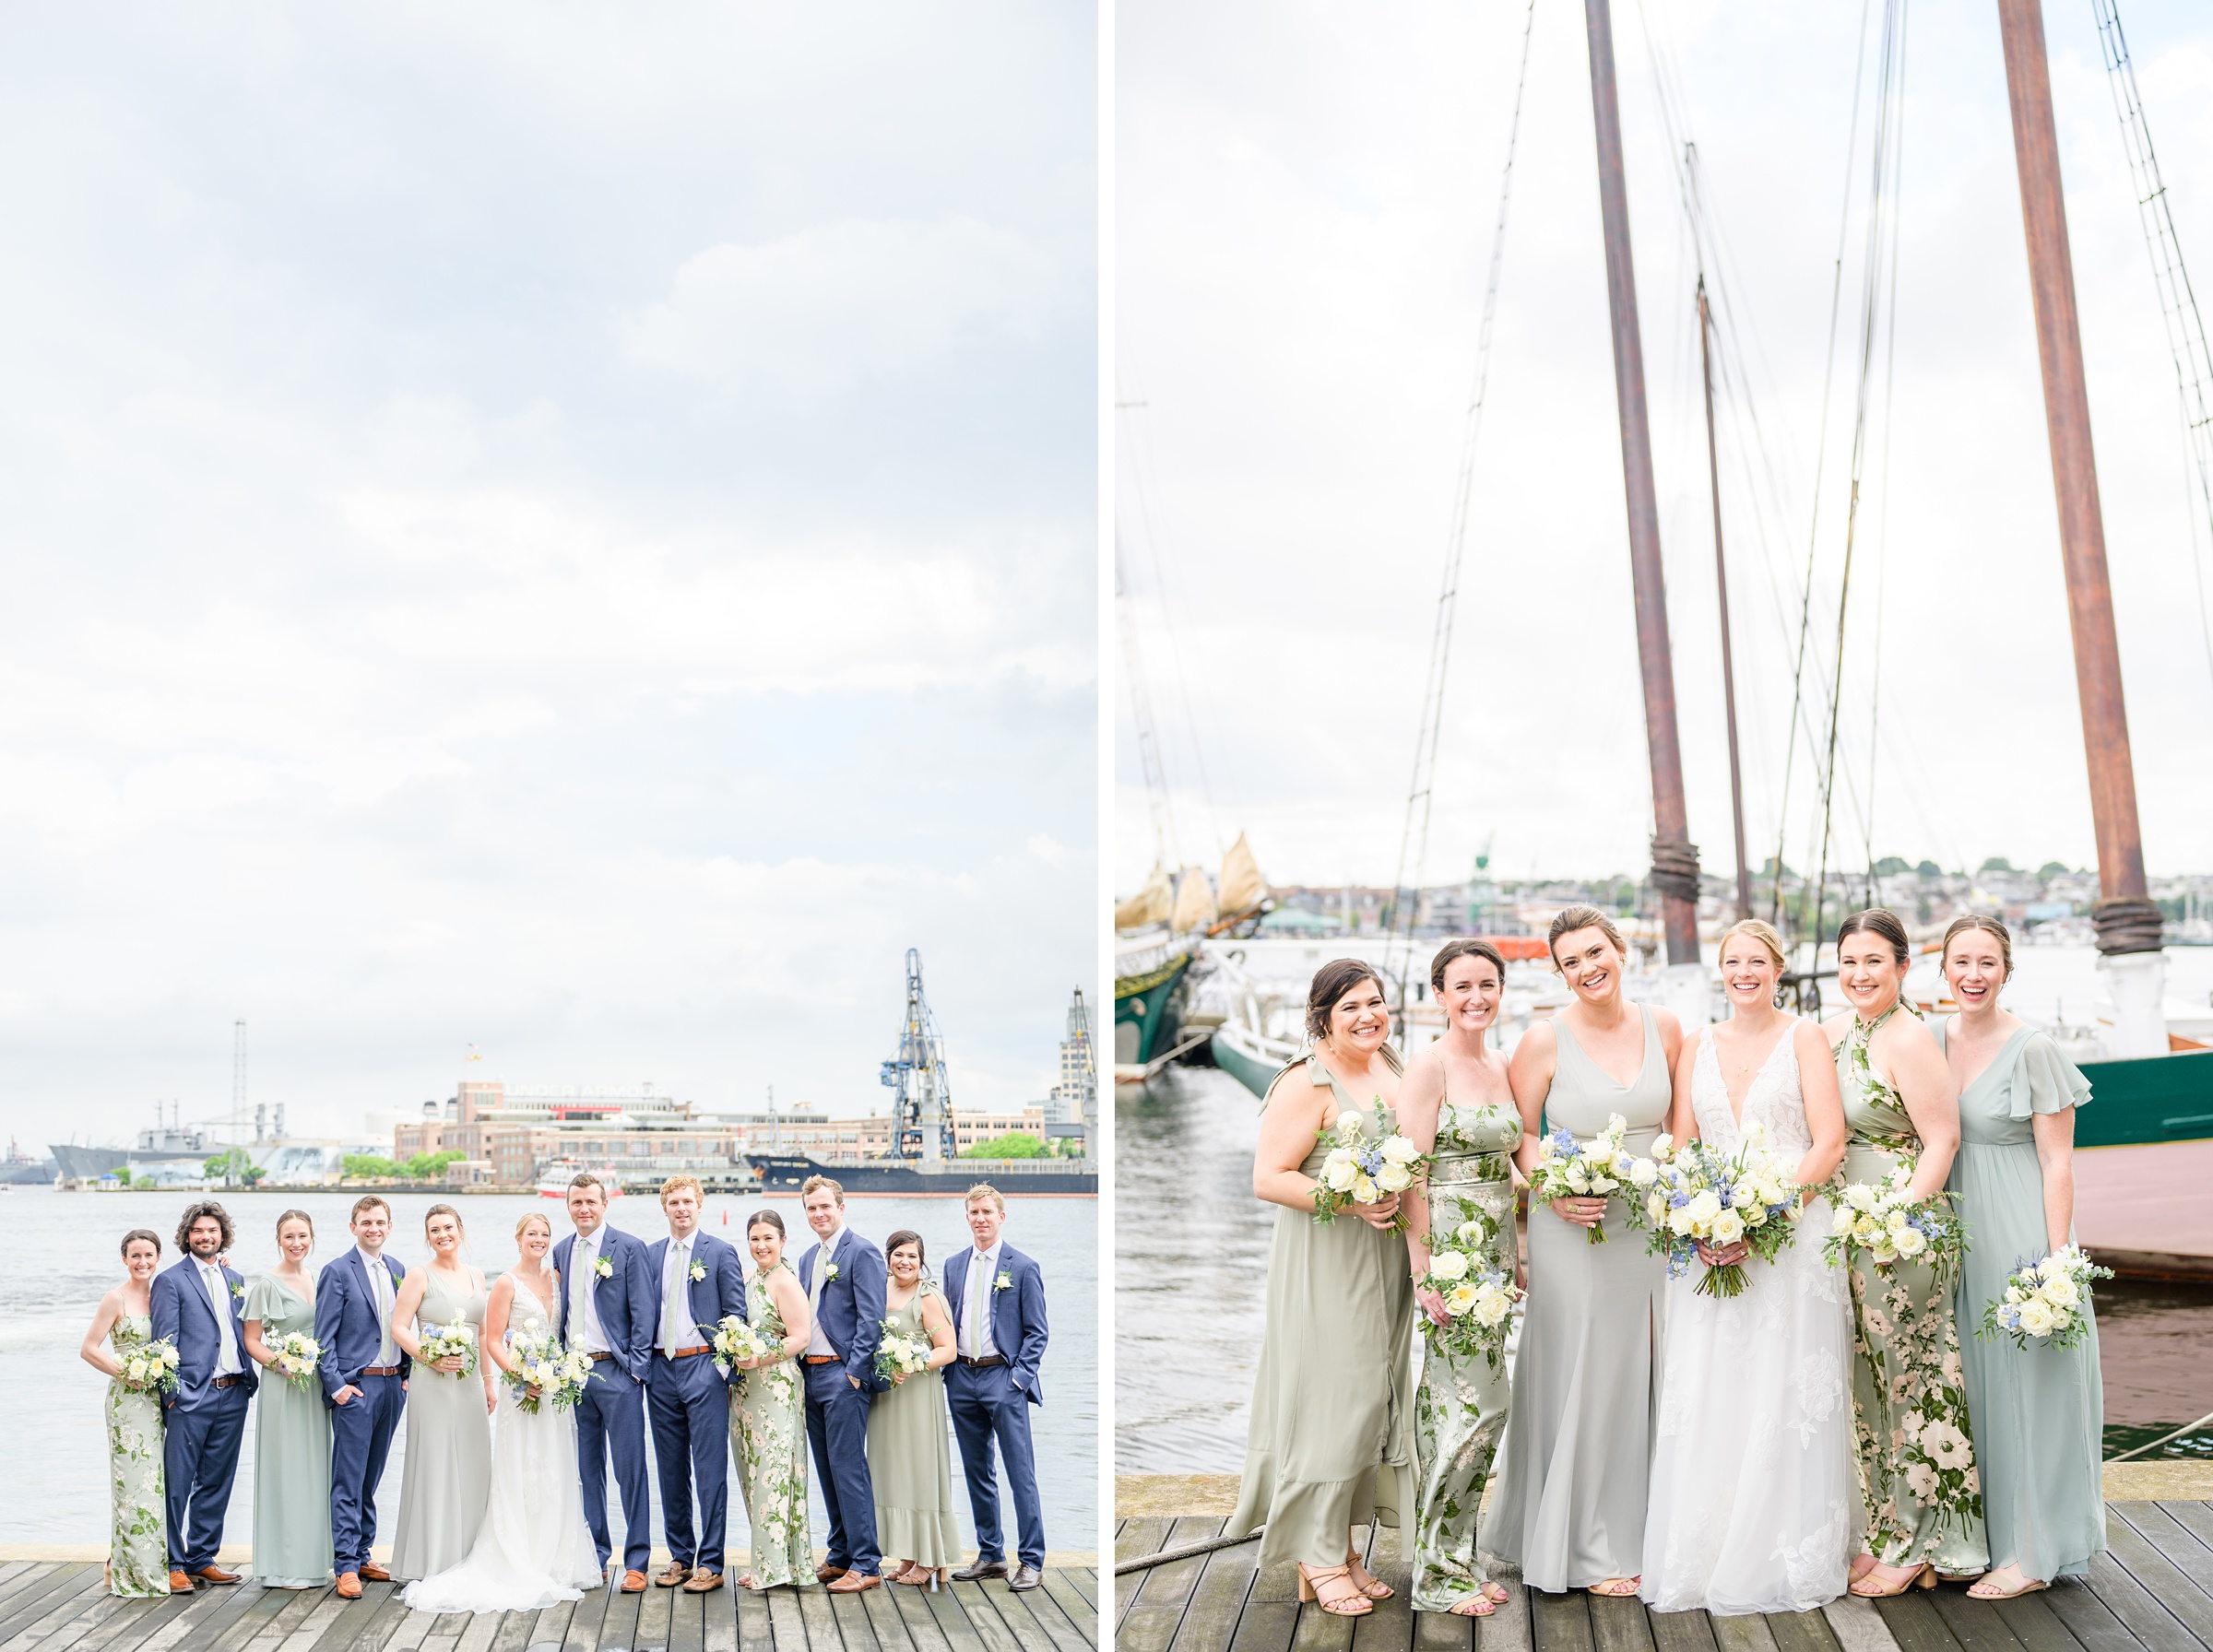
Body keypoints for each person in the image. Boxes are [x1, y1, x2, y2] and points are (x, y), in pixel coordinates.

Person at [1639, 919, 1854, 1613]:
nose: (1743, 972)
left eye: (1756, 961)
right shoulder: (1697, 1044)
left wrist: (1767, 1218)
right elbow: (1681, 1141)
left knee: (1783, 1390)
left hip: (1789, 1236)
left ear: (1778, 968)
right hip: (1709, 1239)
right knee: (1714, 1386)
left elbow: (1829, 1142)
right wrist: (1693, 1217)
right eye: (1732, 961)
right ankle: (1705, 1550)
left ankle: (1780, 1549)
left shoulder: (1806, 1038)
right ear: (1721, 971)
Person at [1481, 905, 1680, 1599]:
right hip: (1578, 1222)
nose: (1587, 969)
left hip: (1650, 1224)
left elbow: (1678, 1127)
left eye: (1596, 952)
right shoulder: (1544, 1039)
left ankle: (1650, 1529)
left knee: (1648, 1369)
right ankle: (1586, 1544)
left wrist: (1681, 1196)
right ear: (1559, 972)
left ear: (1620, 950)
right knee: (1587, 1374)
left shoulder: (1667, 1026)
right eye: (1571, 961)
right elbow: (1521, 1136)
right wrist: (1555, 1193)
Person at [1226, 961, 1417, 1620]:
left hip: (1386, 1257)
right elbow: (1269, 1177)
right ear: (1322, 1018)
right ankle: (1315, 1552)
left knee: (1371, 1397)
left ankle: (1342, 1547)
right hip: (1327, 1260)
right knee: (1331, 1397)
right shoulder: (1304, 1082)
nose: (1369, 1015)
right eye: (1351, 1008)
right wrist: (1350, 1197)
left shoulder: (1391, 1066)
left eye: (1375, 1002)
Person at [1935, 914, 2105, 1599]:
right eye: (1961, 962)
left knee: (2028, 1384)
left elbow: (2057, 1161)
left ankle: (2034, 1552)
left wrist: (2055, 1263)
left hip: (2016, 1229)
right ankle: (1976, 1537)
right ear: (1941, 969)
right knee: (1968, 1384)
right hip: (1950, 1228)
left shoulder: (2033, 1048)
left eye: (1987, 963)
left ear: (2006, 971)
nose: (1973, 975)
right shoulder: (1923, 1038)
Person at [1824, 908, 1989, 1595]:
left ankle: (1925, 1539)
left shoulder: (1910, 1037)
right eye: (1849, 962)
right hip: (1852, 1230)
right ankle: (1888, 1524)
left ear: (1901, 967)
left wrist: (1897, 1226)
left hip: (1905, 1236)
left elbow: (1941, 1141)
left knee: (1914, 1382)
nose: (1860, 975)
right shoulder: (1841, 1032)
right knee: (1868, 1384)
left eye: (1874, 962)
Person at [1398, 939, 1519, 1618]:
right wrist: (1424, 1272)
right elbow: (1410, 1172)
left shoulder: (1500, 1062)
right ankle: (1439, 1575)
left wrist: (1518, 1261)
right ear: (1439, 995)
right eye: (1462, 986)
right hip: (1451, 1261)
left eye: (1488, 984)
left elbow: (1506, 1168)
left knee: (1467, 1408)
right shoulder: (1429, 1065)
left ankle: (1454, 1559)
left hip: (1497, 1257)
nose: (1476, 997)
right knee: (1475, 1408)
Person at [403, 1213, 604, 1612]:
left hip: (552, 1390)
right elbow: (493, 1340)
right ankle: (517, 1553)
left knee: (556, 1468)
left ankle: (554, 1556)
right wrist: (518, 1375)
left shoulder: (557, 1280)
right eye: (532, 1234)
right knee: (520, 1470)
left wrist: (555, 1374)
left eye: (545, 1235)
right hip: (521, 1388)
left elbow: (560, 1333)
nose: (539, 1240)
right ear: (517, 1239)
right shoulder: (505, 1283)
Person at [551, 1172, 657, 1591]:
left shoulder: (628, 1248)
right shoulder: (561, 1250)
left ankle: (637, 1562)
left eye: (591, 1202)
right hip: (574, 1376)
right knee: (586, 1470)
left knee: (630, 1469)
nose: (584, 1209)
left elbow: (644, 1312)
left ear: (605, 1203)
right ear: (569, 1206)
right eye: (577, 1202)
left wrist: (636, 1369)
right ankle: (595, 1555)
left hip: (617, 1372)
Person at [945, 1186, 1051, 1594]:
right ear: (967, 1217)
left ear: (1001, 1216)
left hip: (1003, 1379)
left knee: (1020, 1472)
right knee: (976, 1471)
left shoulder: (1022, 1267)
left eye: (987, 1211)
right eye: (974, 1212)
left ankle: (1032, 1560)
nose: (980, 1218)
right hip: (962, 1378)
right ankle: (991, 1555)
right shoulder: (955, 1265)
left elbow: (1037, 1333)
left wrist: (1018, 1380)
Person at [645, 1175, 747, 1594]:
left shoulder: (720, 1252)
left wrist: (721, 1370)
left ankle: (711, 1563)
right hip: (660, 1370)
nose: (681, 1208)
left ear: (699, 1205)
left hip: (704, 1367)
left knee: (709, 1470)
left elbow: (736, 1315)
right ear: (665, 1208)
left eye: (687, 1201)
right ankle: (680, 1557)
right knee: (670, 1470)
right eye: (673, 1202)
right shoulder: (649, 1255)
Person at [150, 1200, 256, 1595]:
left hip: (233, 1393)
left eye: (212, 1231)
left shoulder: (235, 1279)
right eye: (198, 1231)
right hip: (191, 1397)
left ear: (222, 1235)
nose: (205, 1236)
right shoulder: (171, 1280)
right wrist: (174, 1396)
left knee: (217, 1480)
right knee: (177, 1483)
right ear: (187, 1236)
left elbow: (239, 1331)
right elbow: (163, 1343)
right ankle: (174, 1562)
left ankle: (201, 1557)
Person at [388, 1204, 495, 1581]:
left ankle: (472, 1552)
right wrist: (428, 1357)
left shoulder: (477, 1275)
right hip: (431, 1382)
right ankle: (433, 1557)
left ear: (461, 1231)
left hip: (468, 1384)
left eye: (448, 1227)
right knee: (435, 1462)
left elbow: (481, 1333)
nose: (442, 1234)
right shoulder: (419, 1276)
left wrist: (487, 1380)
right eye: (434, 1230)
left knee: (474, 1459)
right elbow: (399, 1327)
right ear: (428, 1237)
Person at [315, 1195, 410, 1599]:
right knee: (348, 1479)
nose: (374, 1228)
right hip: (357, 1387)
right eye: (366, 1222)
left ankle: (364, 1551)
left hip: (392, 1386)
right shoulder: (337, 1271)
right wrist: (337, 1387)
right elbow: (323, 1338)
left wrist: (406, 1373)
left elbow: (404, 1326)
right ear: (353, 1227)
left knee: (371, 1477)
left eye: (380, 1222)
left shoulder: (398, 1269)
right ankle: (346, 1565)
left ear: (389, 1227)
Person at [796, 1174, 888, 1593]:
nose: (819, 1214)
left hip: (841, 1374)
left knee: (849, 1468)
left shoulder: (863, 1252)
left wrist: (854, 1371)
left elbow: (872, 1318)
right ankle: (840, 1554)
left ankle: (867, 1564)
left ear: (841, 1207)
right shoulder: (806, 1259)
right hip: (809, 1372)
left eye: (825, 1207)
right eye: (812, 1208)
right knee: (827, 1469)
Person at [241, 1210, 334, 1588]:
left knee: (315, 1469)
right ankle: (282, 1564)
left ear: (313, 1238)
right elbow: (251, 1341)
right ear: (278, 1239)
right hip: (284, 1386)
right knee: (285, 1469)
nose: (297, 1243)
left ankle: (314, 1559)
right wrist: (283, 1365)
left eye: (303, 1236)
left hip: (316, 1386)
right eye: (289, 1237)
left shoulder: (319, 1277)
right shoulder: (266, 1284)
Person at [870, 1230, 961, 1587]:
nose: (904, 1262)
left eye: (912, 1256)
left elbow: (947, 1349)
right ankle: (909, 1554)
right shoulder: (881, 1289)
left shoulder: (928, 1296)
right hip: (885, 1395)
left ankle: (931, 1559)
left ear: (921, 1260)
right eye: (898, 1255)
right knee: (893, 1471)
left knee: (921, 1470)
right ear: (888, 1257)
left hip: (917, 1394)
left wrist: (915, 1363)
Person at [80, 1228, 168, 1598]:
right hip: (127, 1403)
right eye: (135, 1256)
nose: (142, 1262)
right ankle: (133, 1571)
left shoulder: (165, 1293)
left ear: (159, 1258)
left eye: (149, 1255)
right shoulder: (114, 1298)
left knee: (156, 1486)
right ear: (124, 1258)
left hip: (158, 1400)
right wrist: (127, 1372)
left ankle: (120, 1562)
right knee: (132, 1487)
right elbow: (89, 1348)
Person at [728, 1210, 813, 1592]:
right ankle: (774, 1562)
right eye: (754, 1239)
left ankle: (774, 1569)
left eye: (767, 1238)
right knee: (752, 1475)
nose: (760, 1246)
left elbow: (801, 1337)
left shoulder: (785, 1281)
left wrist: (759, 1357)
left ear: (782, 1240)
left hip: (776, 1388)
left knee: (775, 1477)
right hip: (745, 1391)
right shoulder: (749, 1279)